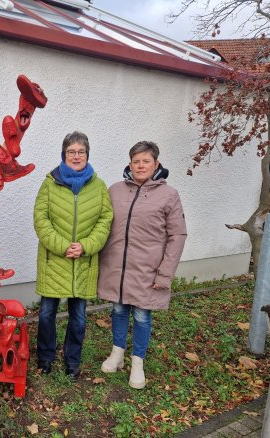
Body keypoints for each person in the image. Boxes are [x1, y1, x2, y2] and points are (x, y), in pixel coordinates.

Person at [97, 141, 187, 389]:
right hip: (117, 267)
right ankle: (117, 352)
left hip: (148, 270)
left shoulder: (169, 195)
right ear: (129, 164)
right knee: (118, 309)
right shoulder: (115, 190)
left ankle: (137, 361)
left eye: (146, 161)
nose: (140, 165)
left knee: (141, 314)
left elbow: (177, 235)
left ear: (156, 164)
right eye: (136, 161)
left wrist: (165, 273)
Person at [33, 131, 113, 380]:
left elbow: (105, 220)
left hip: (84, 262)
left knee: (78, 318)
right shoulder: (50, 182)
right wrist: (62, 245)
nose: (76, 156)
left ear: (87, 154)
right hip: (54, 260)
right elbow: (41, 219)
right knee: (47, 314)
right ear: (64, 154)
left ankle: (72, 360)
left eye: (81, 151)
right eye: (71, 152)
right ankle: (45, 358)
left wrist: (86, 245)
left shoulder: (98, 186)